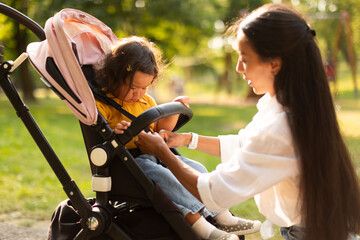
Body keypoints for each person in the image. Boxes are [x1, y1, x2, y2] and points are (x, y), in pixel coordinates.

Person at [133, 4, 360, 240]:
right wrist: (186, 139)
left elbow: (214, 192)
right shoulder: (288, 104)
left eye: (244, 59)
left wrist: (162, 152)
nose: (238, 68)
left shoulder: (283, 126)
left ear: (274, 63)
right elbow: (245, 144)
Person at [93, 36, 261, 240]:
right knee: (167, 179)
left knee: (195, 167)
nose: (138, 94)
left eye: (145, 87)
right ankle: (205, 231)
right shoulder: (104, 104)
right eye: (133, 88)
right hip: (129, 164)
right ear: (115, 77)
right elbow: (101, 136)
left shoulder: (146, 101)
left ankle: (223, 216)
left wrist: (173, 111)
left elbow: (160, 132)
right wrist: (115, 130)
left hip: (153, 153)